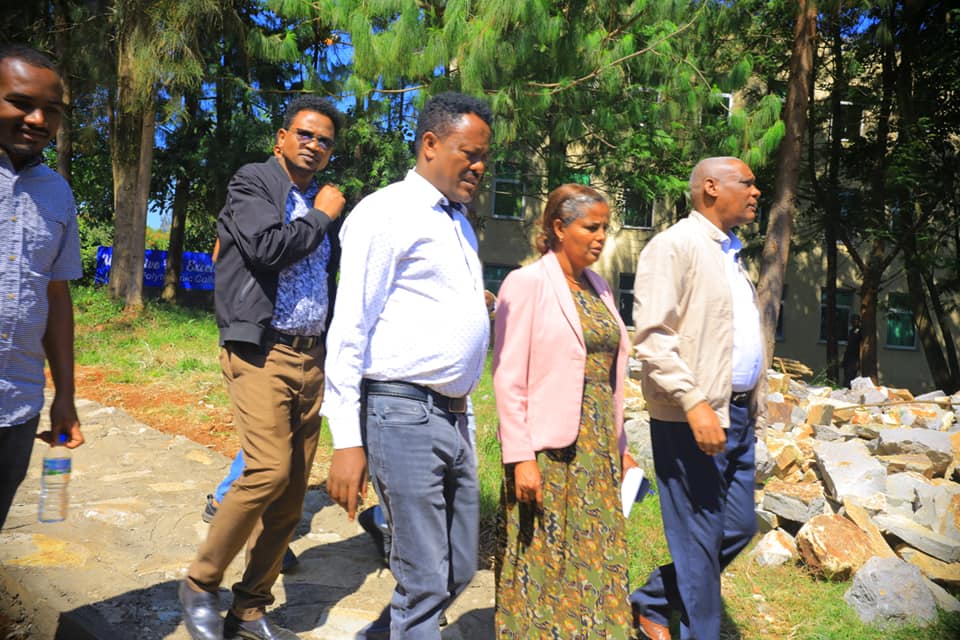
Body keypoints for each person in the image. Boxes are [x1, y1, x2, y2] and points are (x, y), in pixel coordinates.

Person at [322, 92, 492, 639]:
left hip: (452, 415)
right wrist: (347, 441)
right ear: (430, 144)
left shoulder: (458, 223)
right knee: (424, 581)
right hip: (401, 412)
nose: (479, 167)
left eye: (484, 157)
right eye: (469, 153)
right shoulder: (386, 212)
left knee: (458, 568)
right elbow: (349, 328)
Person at [178, 95, 345, 640]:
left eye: (324, 141)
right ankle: (201, 582)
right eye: (305, 134)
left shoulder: (320, 200)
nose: (314, 145)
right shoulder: (254, 182)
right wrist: (322, 214)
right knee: (268, 470)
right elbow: (267, 249)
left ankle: (250, 608)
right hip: (260, 351)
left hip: (311, 356)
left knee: (291, 496)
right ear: (281, 137)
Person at [492, 184, 638, 638]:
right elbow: (508, 376)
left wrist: (621, 448)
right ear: (559, 227)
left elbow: (610, 376)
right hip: (548, 450)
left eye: (605, 228)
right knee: (543, 553)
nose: (601, 237)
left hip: (598, 448)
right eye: (590, 227)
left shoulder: (599, 287)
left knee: (596, 551)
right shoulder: (526, 283)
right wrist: (521, 457)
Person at [629, 157, 765, 640]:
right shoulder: (675, 246)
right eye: (747, 183)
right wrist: (692, 401)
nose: (756, 192)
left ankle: (652, 599)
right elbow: (653, 336)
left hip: (737, 413)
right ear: (711, 187)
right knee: (699, 540)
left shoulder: (731, 253)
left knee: (738, 526)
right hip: (692, 417)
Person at [0, 44, 84, 530]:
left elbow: (56, 295)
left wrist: (65, 395)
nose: (37, 119)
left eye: (50, 110)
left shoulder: (57, 192)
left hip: (18, 404)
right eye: (20, 103)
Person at [842, 314, 862, 387]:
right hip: (848, 356)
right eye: (852, 320)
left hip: (855, 357)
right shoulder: (851, 331)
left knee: (851, 377)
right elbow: (849, 345)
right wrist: (844, 359)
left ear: (859, 321)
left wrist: (858, 361)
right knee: (846, 376)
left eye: (855, 320)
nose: (853, 322)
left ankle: (849, 388)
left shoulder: (859, 331)